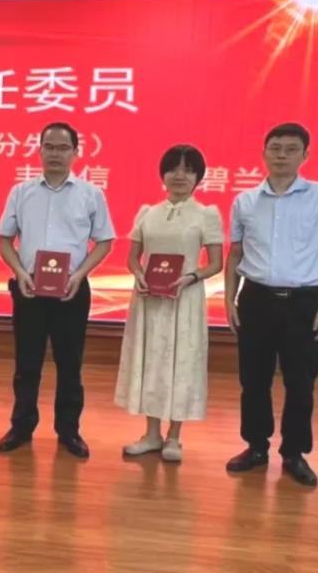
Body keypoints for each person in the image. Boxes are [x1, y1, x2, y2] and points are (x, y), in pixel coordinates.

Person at [224, 123, 318, 487]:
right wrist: (229, 299)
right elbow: (235, 254)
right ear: (264, 153)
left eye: (291, 149)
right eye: (275, 148)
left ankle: (294, 453)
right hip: (256, 299)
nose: (282, 155)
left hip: (303, 303)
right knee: (253, 380)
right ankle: (256, 447)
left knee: (301, 382)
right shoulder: (245, 201)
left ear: (305, 155)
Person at [0, 122, 115, 459]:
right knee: (27, 363)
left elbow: (104, 241)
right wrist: (20, 272)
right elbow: (4, 239)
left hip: (71, 289)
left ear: (75, 153)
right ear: (39, 150)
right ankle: (21, 427)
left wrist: (79, 274)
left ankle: (69, 430)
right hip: (30, 287)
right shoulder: (21, 192)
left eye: (63, 148)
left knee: (70, 363)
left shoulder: (90, 194)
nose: (55, 154)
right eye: (49, 146)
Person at [116, 145, 224, 462]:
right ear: (162, 174)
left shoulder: (206, 214)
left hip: (184, 300)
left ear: (198, 177)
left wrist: (191, 276)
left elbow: (215, 263)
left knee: (181, 362)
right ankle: (151, 434)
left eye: (188, 170)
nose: (180, 175)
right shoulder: (147, 213)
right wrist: (139, 275)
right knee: (151, 360)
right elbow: (133, 258)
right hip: (149, 299)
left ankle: (174, 437)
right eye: (173, 169)